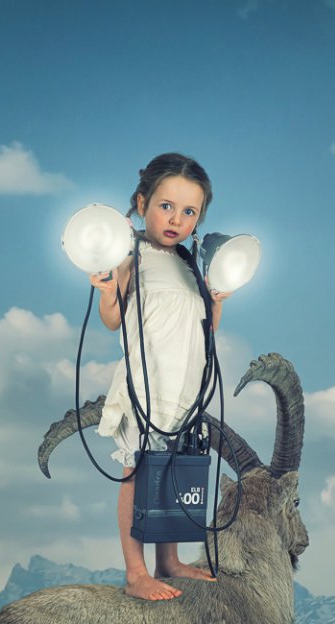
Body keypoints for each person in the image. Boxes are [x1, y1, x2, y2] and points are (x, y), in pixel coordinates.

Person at [92, 152, 231, 601]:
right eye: (166, 206)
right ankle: (136, 572)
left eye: (189, 212)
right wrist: (109, 290)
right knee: (137, 471)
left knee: (171, 470)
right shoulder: (130, 256)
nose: (176, 219)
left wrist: (217, 301)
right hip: (145, 385)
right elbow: (113, 321)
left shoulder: (192, 265)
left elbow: (204, 328)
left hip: (184, 387)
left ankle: (167, 560)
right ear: (142, 202)